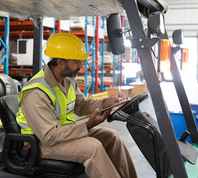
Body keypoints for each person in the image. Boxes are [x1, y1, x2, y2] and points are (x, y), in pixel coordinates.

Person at [16, 33, 137, 178]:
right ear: (60, 62)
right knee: (92, 148)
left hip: (62, 135)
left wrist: (107, 102)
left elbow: (81, 105)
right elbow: (49, 136)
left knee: (112, 136)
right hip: (40, 144)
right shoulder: (36, 92)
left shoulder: (68, 82)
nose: (81, 65)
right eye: (76, 62)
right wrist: (87, 126)